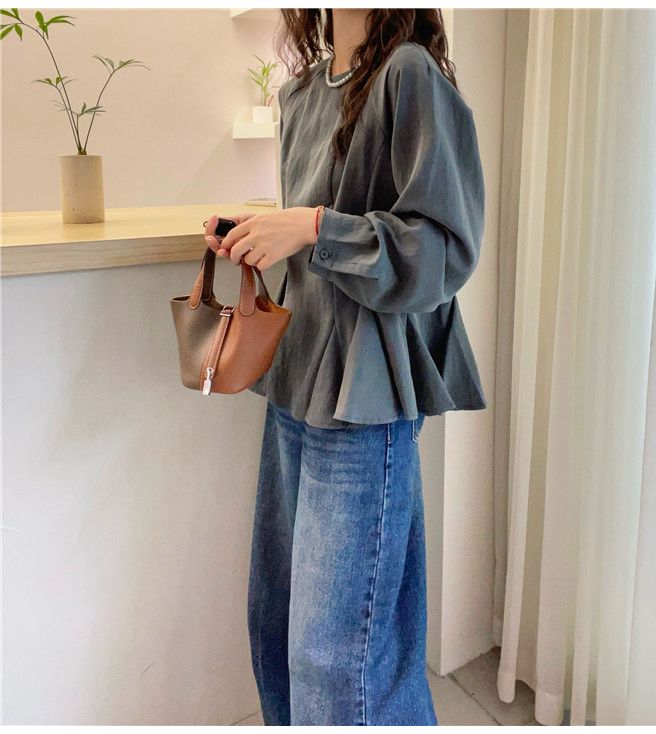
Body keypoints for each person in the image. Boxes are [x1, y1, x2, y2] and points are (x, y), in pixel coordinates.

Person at [204, 8, 486, 726]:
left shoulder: (409, 75)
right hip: (296, 379)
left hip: (364, 395)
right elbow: (314, 242)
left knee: (339, 659)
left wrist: (312, 226)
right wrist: (258, 233)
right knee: (275, 628)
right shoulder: (300, 94)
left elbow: (441, 251)